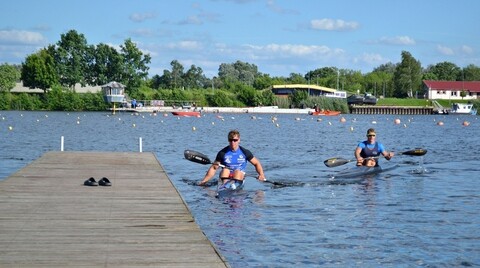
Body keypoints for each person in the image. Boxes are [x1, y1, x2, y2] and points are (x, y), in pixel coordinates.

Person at [199, 130, 266, 186]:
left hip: (239, 175)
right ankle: (225, 187)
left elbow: (256, 163)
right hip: (226, 175)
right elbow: (214, 168)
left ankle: (233, 186)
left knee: (237, 172)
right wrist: (203, 181)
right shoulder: (222, 153)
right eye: (230, 140)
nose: (232, 142)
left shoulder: (245, 152)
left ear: (239, 140)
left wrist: (261, 175)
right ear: (228, 140)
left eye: (235, 140)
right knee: (225, 170)